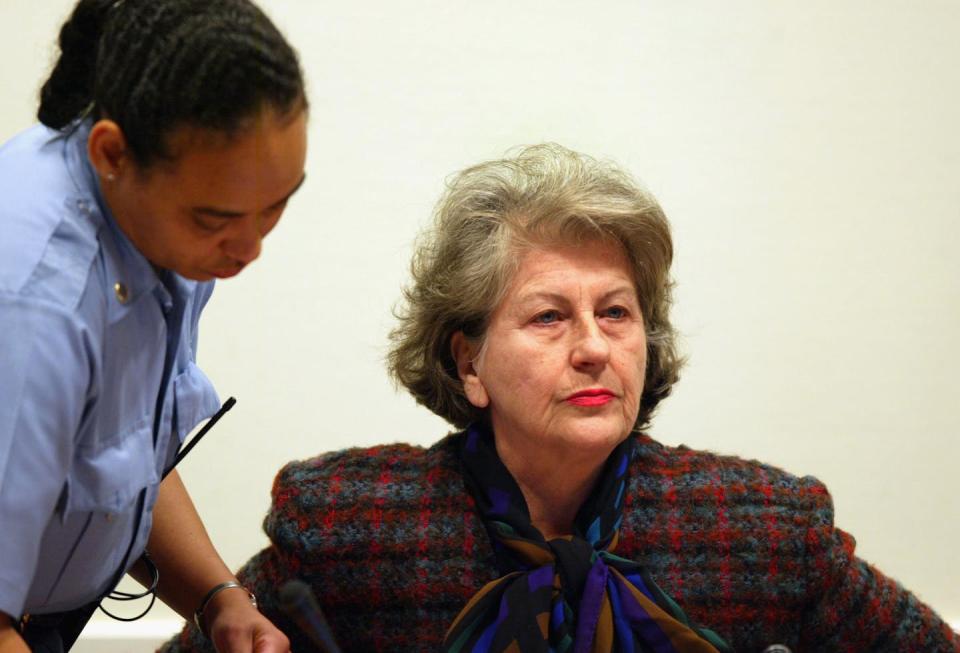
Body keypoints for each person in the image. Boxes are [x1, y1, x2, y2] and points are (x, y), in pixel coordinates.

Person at [162, 144, 959, 652]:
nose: (593, 345)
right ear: (468, 361)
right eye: (549, 315)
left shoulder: (761, 528)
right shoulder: (353, 529)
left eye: (616, 311)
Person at [0, 1, 307, 651]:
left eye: (276, 206)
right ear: (111, 152)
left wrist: (219, 598)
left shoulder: (167, 231)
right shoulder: (33, 304)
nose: (249, 248)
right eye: (215, 217)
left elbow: (119, 449)